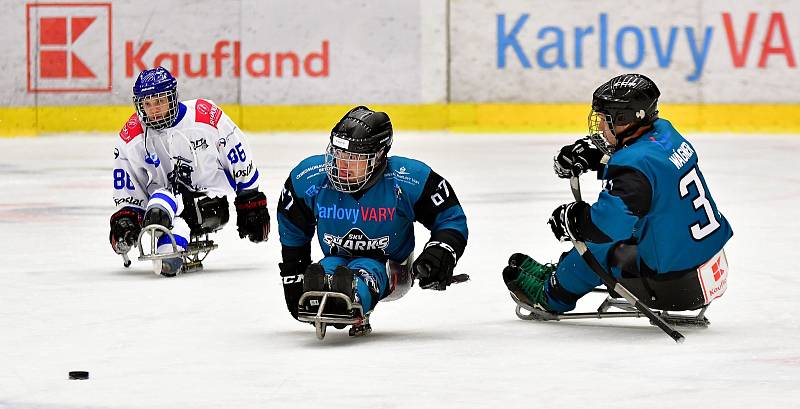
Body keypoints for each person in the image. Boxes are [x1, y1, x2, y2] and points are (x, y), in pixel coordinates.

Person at [503, 73, 733, 314]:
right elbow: (652, 176)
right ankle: (562, 272)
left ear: (625, 119)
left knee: (600, 243)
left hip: (675, 285)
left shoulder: (635, 166)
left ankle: (551, 295)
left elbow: (605, 227)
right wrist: (600, 158)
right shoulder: (665, 133)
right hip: (703, 264)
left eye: (606, 119)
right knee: (632, 225)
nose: (601, 127)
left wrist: (572, 218)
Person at [277, 106, 468, 323]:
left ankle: (354, 291)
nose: (341, 164)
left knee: (367, 272)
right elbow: (292, 223)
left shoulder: (408, 179)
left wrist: (440, 252)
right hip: (334, 256)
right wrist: (294, 272)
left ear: (378, 157)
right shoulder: (310, 177)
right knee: (324, 272)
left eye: (353, 157)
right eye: (338, 153)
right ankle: (327, 284)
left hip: (390, 266)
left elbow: (450, 218)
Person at [109, 66, 270, 276]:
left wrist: (250, 200)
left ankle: (169, 243)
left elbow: (237, 152)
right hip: (163, 209)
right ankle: (169, 249)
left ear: (173, 98)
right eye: (147, 104)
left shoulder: (205, 116)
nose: (154, 110)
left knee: (166, 203)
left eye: (159, 101)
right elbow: (127, 180)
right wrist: (126, 219)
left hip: (210, 201)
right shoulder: (132, 136)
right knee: (160, 203)